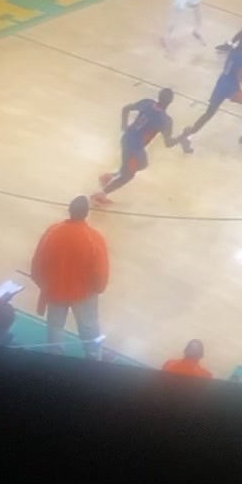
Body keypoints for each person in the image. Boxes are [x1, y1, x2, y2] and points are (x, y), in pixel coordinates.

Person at [30, 196, 109, 358]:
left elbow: (38, 259)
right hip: (83, 293)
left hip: (55, 288)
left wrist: (42, 282)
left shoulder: (52, 231)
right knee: (89, 327)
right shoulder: (94, 237)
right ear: (87, 213)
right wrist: (98, 288)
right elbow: (100, 270)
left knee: (54, 326)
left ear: (69, 210)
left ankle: (54, 357)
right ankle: (94, 357)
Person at [91, 90, 183, 205]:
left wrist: (124, 126)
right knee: (129, 174)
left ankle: (109, 177)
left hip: (127, 138)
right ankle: (101, 194)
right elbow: (168, 143)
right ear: (171, 101)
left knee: (139, 165)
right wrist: (183, 136)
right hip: (135, 147)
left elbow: (126, 108)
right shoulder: (165, 120)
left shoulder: (148, 103)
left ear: (159, 96)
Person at [180, 30, 242, 150]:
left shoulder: (232, 51)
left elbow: (236, 70)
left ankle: (189, 137)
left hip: (221, 84)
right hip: (231, 88)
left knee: (209, 113)